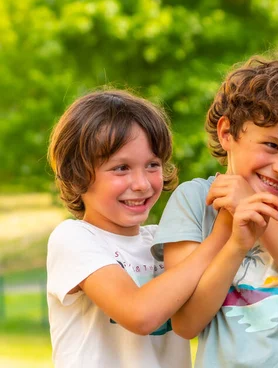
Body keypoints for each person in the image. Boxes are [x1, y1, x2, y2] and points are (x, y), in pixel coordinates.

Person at [152, 55, 278, 367]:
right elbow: (186, 323)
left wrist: (260, 217)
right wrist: (236, 242)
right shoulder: (194, 200)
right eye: (271, 145)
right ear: (227, 133)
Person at [46, 90, 218, 367]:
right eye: (121, 168)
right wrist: (218, 240)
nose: (141, 183)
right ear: (76, 173)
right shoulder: (73, 238)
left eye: (152, 165)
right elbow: (139, 314)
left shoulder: (162, 241)